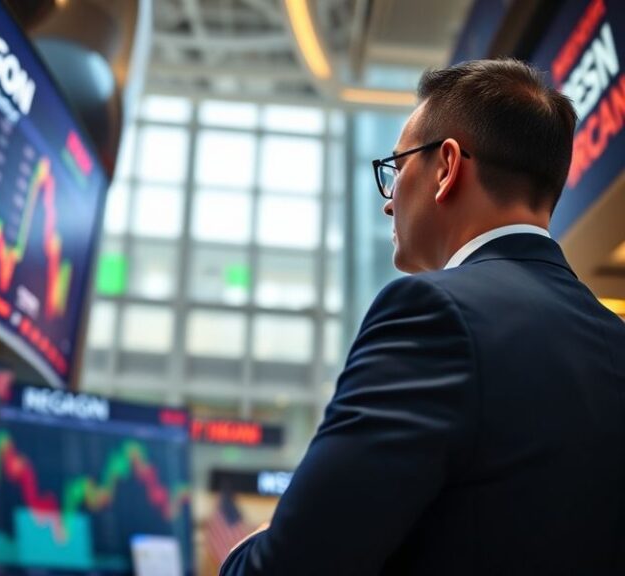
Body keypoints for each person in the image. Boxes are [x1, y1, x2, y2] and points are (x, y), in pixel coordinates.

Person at [219, 58, 625, 576]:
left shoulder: (432, 314)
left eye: (396, 168)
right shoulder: (615, 340)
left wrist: (247, 545)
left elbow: (290, 566)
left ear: (447, 166)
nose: (388, 205)